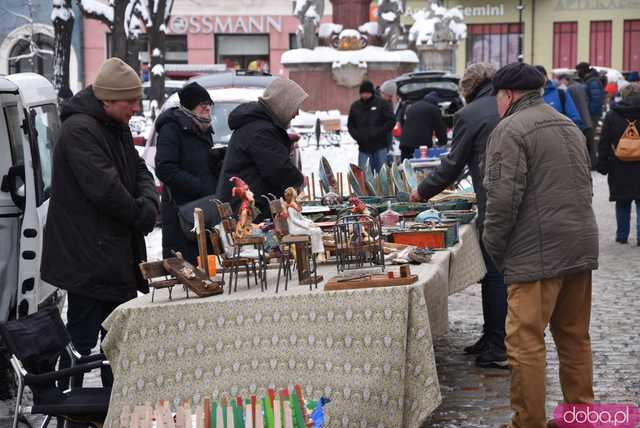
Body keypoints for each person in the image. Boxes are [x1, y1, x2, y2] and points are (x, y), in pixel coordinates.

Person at [484, 63, 598, 428]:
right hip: (579, 246)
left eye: (497, 98)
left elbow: (501, 200)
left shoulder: (510, 129)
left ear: (508, 95)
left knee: (525, 344)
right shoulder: (567, 124)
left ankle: (528, 422)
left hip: (537, 254)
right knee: (574, 338)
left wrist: (494, 248)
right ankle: (580, 416)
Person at [41, 58, 158, 386]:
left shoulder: (112, 124)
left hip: (113, 255)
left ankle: (115, 407)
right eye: (130, 101)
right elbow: (106, 190)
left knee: (119, 342)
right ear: (107, 99)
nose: (136, 107)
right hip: (87, 259)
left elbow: (139, 170)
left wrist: (148, 204)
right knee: (82, 343)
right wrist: (141, 215)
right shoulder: (80, 130)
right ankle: (70, 408)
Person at [409, 63, 507, 368]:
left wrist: (420, 192)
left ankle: (498, 343)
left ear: (468, 87)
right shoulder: (507, 105)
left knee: (495, 275)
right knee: (499, 274)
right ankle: (492, 336)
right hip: (518, 202)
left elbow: (452, 164)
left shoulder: (470, 113)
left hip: (496, 205)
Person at [216, 77, 306, 221]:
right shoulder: (260, 130)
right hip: (246, 214)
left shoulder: (260, 126)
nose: (297, 113)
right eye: (295, 107)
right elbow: (278, 170)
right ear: (283, 104)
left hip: (252, 209)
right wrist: (299, 180)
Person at [155, 82, 225, 264]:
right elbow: (165, 168)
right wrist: (200, 185)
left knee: (205, 265)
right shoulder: (171, 128)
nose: (207, 109)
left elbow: (198, 163)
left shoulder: (203, 128)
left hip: (201, 210)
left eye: (209, 105)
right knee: (185, 267)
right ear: (190, 106)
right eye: (203, 105)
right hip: (180, 211)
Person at [597, 82, 640, 245]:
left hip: (618, 164)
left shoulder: (612, 114)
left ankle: (622, 235)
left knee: (622, 201)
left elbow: (604, 141)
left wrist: (602, 165)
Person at [348, 80, 395, 172]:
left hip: (380, 146)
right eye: (363, 93)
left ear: (371, 93)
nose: (365, 95)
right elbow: (351, 125)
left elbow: (391, 120)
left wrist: (380, 132)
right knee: (363, 175)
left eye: (367, 93)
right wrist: (358, 136)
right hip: (363, 148)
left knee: (382, 174)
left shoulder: (382, 103)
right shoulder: (355, 106)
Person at [399, 91, 448, 160]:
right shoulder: (434, 109)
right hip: (420, 146)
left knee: (406, 166)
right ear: (435, 102)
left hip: (405, 143)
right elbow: (439, 128)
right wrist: (443, 142)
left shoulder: (413, 106)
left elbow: (402, 121)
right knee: (421, 166)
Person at [557, 73, 594, 159]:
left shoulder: (568, 89)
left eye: (560, 81)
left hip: (578, 120)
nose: (559, 83)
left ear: (564, 80)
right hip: (587, 118)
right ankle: (592, 162)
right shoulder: (581, 86)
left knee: (580, 145)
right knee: (590, 145)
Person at [576, 61, 605, 166]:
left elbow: (596, 100)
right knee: (589, 138)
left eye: (578, 70)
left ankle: (593, 162)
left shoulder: (592, 81)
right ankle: (591, 162)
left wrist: (589, 114)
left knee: (590, 139)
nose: (577, 73)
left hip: (592, 115)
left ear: (584, 70)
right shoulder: (589, 80)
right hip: (591, 114)